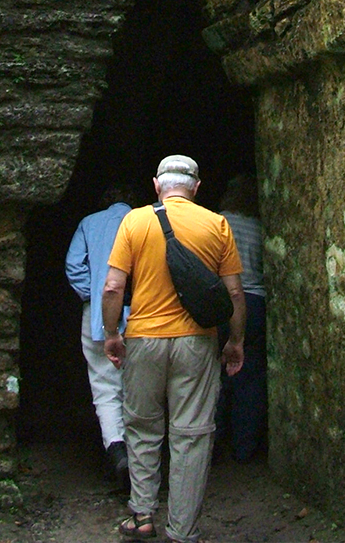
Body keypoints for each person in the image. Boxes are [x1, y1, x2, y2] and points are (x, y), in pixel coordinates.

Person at [102, 155, 246, 543]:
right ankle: (182, 531)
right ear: (196, 188)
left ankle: (142, 515)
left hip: (144, 339)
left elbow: (114, 286)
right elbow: (233, 291)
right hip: (198, 342)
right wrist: (235, 341)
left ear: (156, 185)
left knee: (142, 427)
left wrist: (112, 333)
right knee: (192, 435)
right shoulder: (217, 224)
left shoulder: (135, 221)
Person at [65, 184, 138, 490]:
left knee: (105, 388)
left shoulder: (89, 223)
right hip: (142, 314)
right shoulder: (144, 221)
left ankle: (117, 451)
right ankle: (143, 459)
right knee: (139, 386)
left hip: (96, 317)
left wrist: (94, 295)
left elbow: (73, 266)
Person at [215, 174, 267, 463]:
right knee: (250, 376)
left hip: (223, 303)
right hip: (256, 303)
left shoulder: (217, 222)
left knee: (214, 375)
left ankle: (212, 443)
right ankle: (244, 448)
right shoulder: (260, 228)